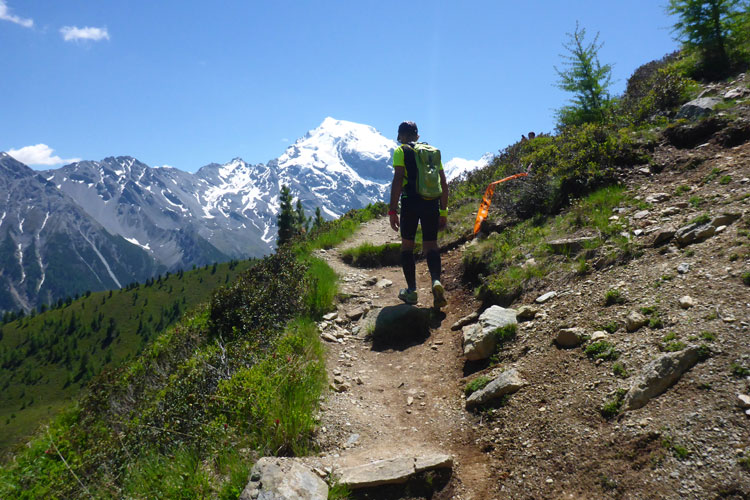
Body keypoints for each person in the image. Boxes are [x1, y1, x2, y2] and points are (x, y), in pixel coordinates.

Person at [388, 121, 449, 308]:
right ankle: (436, 281)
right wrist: (443, 211)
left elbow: (398, 179)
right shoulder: (432, 152)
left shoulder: (401, 151)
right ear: (417, 135)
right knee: (431, 245)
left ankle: (412, 291)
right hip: (431, 202)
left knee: (407, 246)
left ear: (401, 136)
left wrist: (392, 210)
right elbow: (443, 183)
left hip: (411, 202)